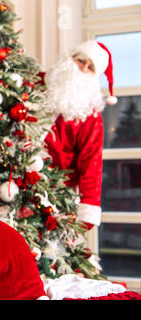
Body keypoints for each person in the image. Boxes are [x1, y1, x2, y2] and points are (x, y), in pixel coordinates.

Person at [42, 40, 117, 231]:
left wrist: (88, 208)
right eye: (81, 60)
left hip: (54, 191)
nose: (82, 68)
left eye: (90, 67)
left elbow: (91, 163)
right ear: (71, 58)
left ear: (94, 76)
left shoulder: (90, 115)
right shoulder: (38, 83)